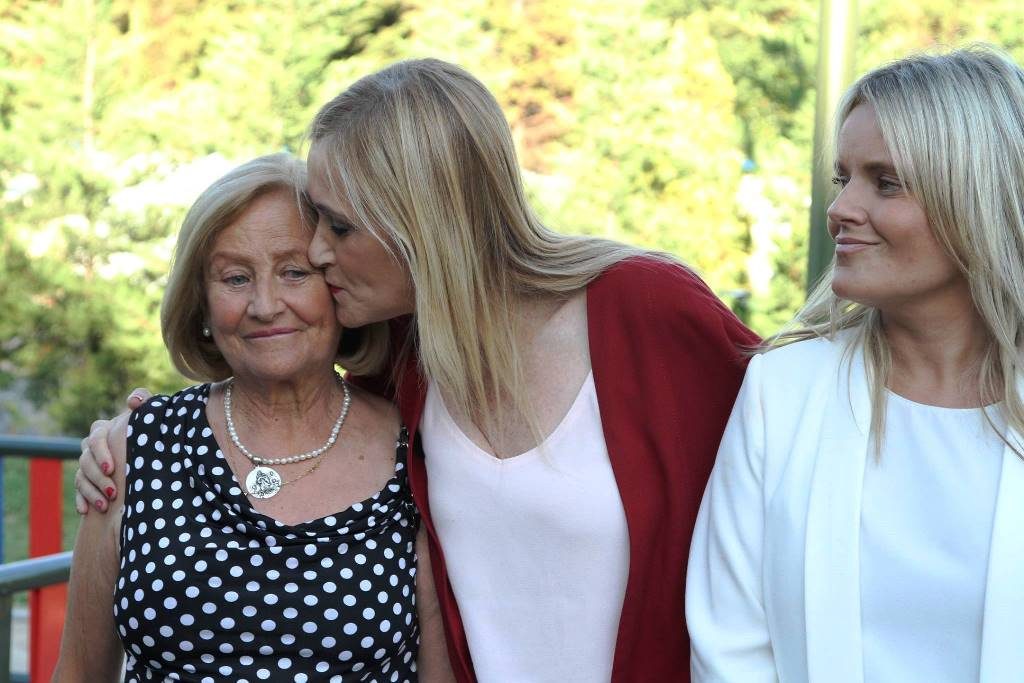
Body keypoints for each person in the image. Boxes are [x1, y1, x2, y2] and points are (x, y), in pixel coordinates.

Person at [76, 59, 758, 682]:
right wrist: (133, 433)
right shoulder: (399, 360)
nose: (317, 251)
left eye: (338, 227)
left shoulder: (644, 309)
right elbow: (280, 404)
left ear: (418, 220)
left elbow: (790, 446)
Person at [686, 45, 1024, 682]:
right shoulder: (782, 392)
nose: (840, 207)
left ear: (978, 195)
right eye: (843, 177)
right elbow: (729, 650)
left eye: (885, 181)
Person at [55, 153, 451, 681]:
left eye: (294, 272)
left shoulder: (416, 450)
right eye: (236, 278)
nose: (265, 305)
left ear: (339, 283)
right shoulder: (136, 447)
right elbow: (80, 673)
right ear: (201, 302)